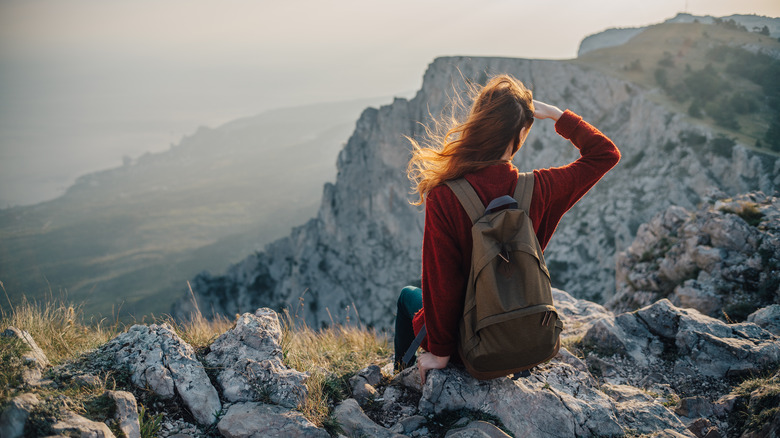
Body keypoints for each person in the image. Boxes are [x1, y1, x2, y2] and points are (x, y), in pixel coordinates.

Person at [395, 74, 621, 384]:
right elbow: (605, 154)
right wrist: (557, 115)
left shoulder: (445, 196)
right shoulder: (540, 188)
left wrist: (441, 353)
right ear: (523, 132)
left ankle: (399, 377)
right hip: (528, 337)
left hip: (471, 347)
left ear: (478, 125)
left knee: (409, 296)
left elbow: (441, 284)